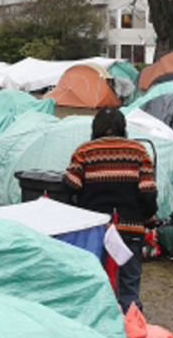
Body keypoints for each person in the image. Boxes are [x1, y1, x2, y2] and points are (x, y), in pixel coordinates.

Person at [62, 106, 157, 313]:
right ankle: (131, 330)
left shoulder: (84, 151)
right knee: (129, 286)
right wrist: (148, 218)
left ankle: (98, 327)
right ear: (122, 127)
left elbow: (70, 185)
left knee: (95, 282)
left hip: (94, 231)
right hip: (129, 228)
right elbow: (148, 192)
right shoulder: (139, 151)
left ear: (96, 127)